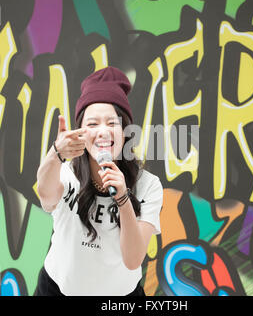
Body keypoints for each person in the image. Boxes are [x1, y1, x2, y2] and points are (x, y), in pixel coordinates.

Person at [34, 66, 163, 296]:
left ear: (125, 132)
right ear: (81, 132)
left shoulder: (148, 186)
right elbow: (46, 198)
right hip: (56, 290)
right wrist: (55, 153)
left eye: (112, 124)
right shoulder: (66, 172)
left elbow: (133, 260)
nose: (102, 132)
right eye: (92, 124)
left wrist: (123, 198)